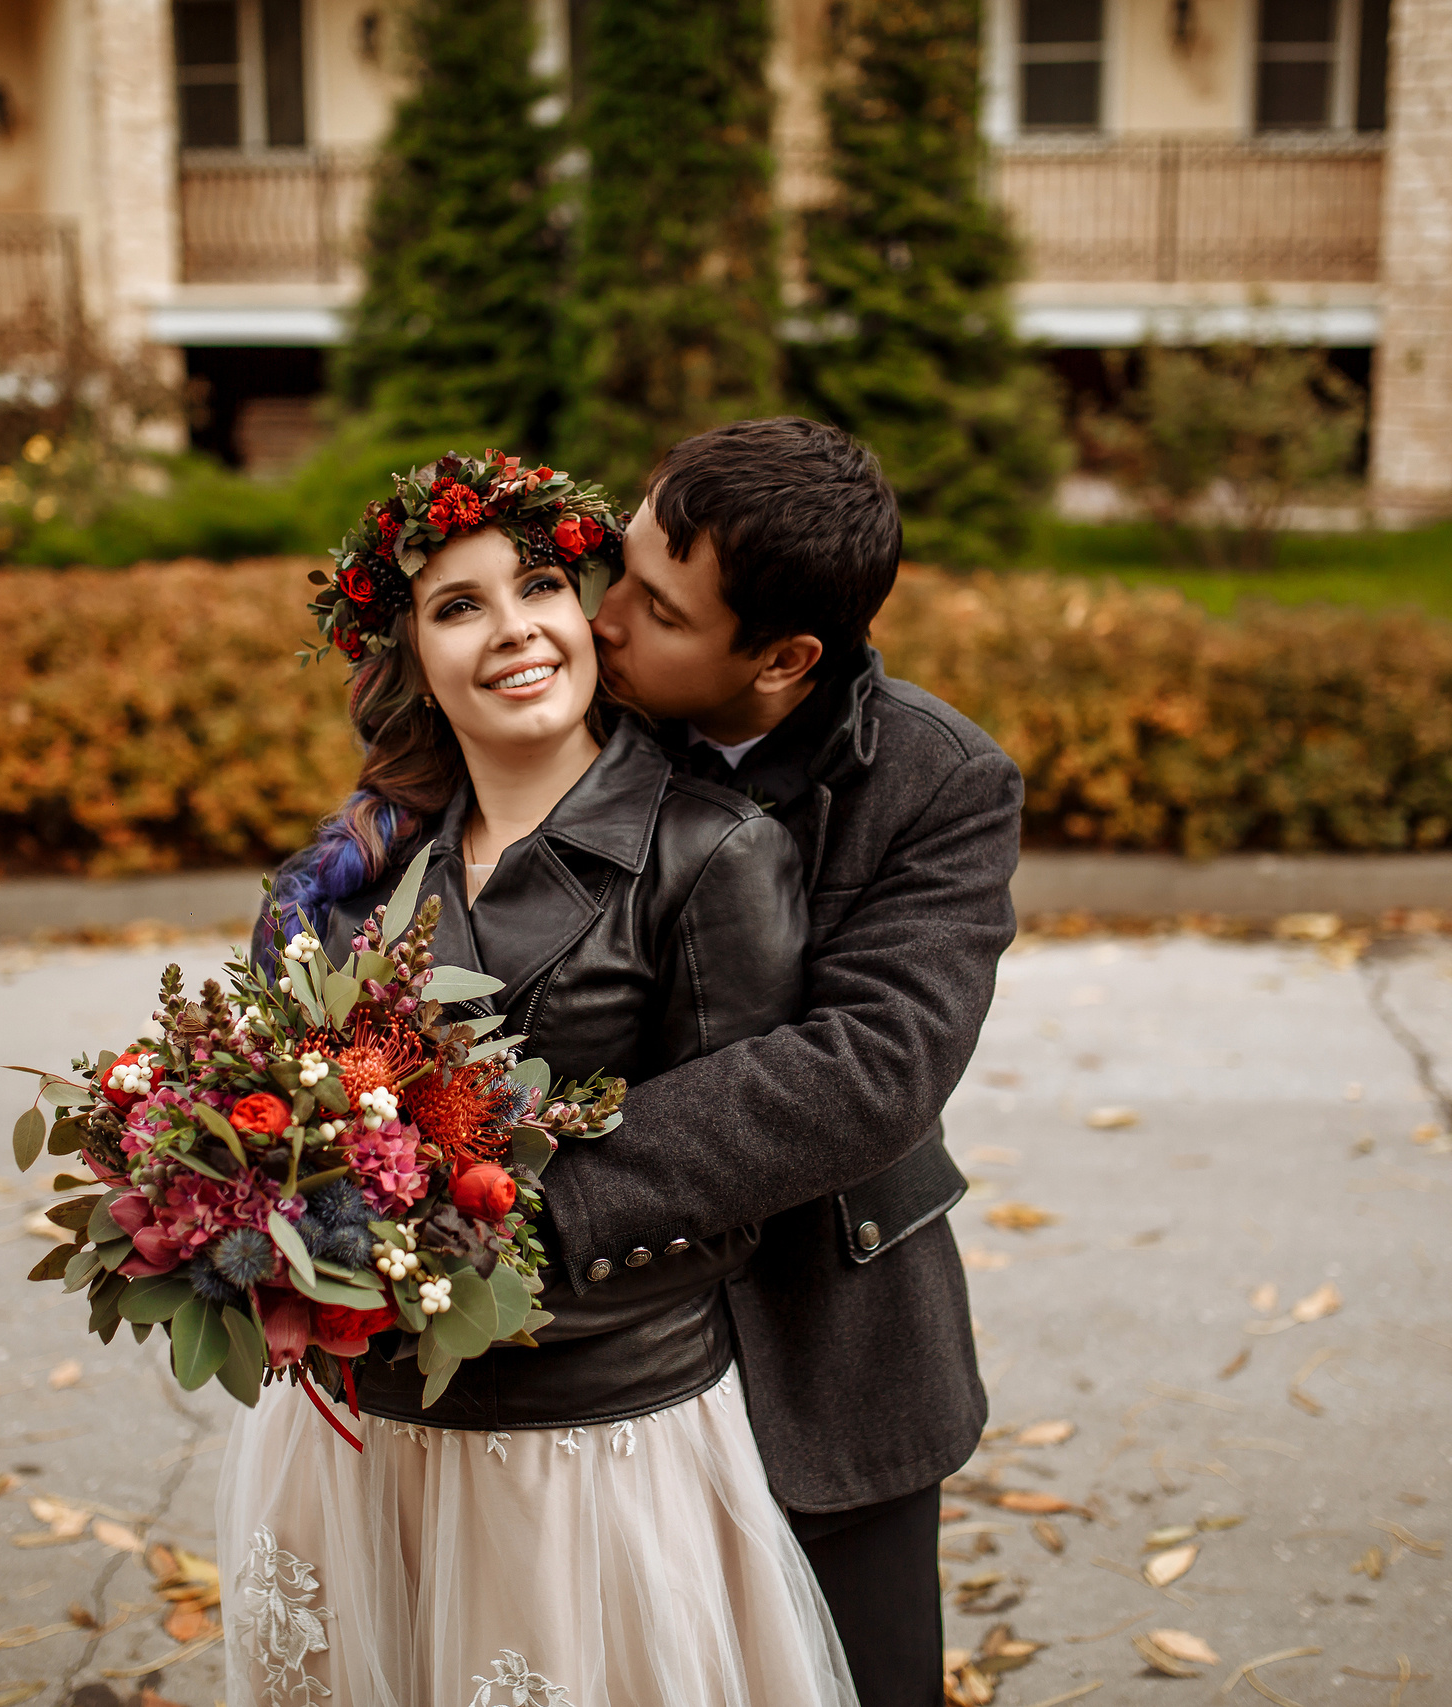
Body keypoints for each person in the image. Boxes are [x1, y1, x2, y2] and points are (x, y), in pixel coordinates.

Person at [219, 452, 857, 1707]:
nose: (513, 631)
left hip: (590, 1436)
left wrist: (462, 1247)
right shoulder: (339, 882)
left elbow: (736, 1175)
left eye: (540, 587)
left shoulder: (712, 855)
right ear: (409, 658)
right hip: (356, 1434)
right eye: (457, 606)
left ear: (585, 613)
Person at [557, 417, 1024, 1707]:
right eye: (621, 568)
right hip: (580, 1357)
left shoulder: (938, 782)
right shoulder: (567, 715)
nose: (603, 621)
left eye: (655, 606)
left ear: (781, 661)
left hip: (831, 1340)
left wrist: (542, 1187)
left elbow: (874, 1068)